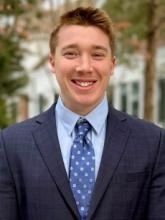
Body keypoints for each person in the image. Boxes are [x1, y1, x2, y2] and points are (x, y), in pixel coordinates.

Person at [0, 6, 165, 220]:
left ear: (112, 64)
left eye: (97, 54)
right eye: (71, 53)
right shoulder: (11, 145)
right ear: (53, 62)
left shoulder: (153, 143)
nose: (84, 66)